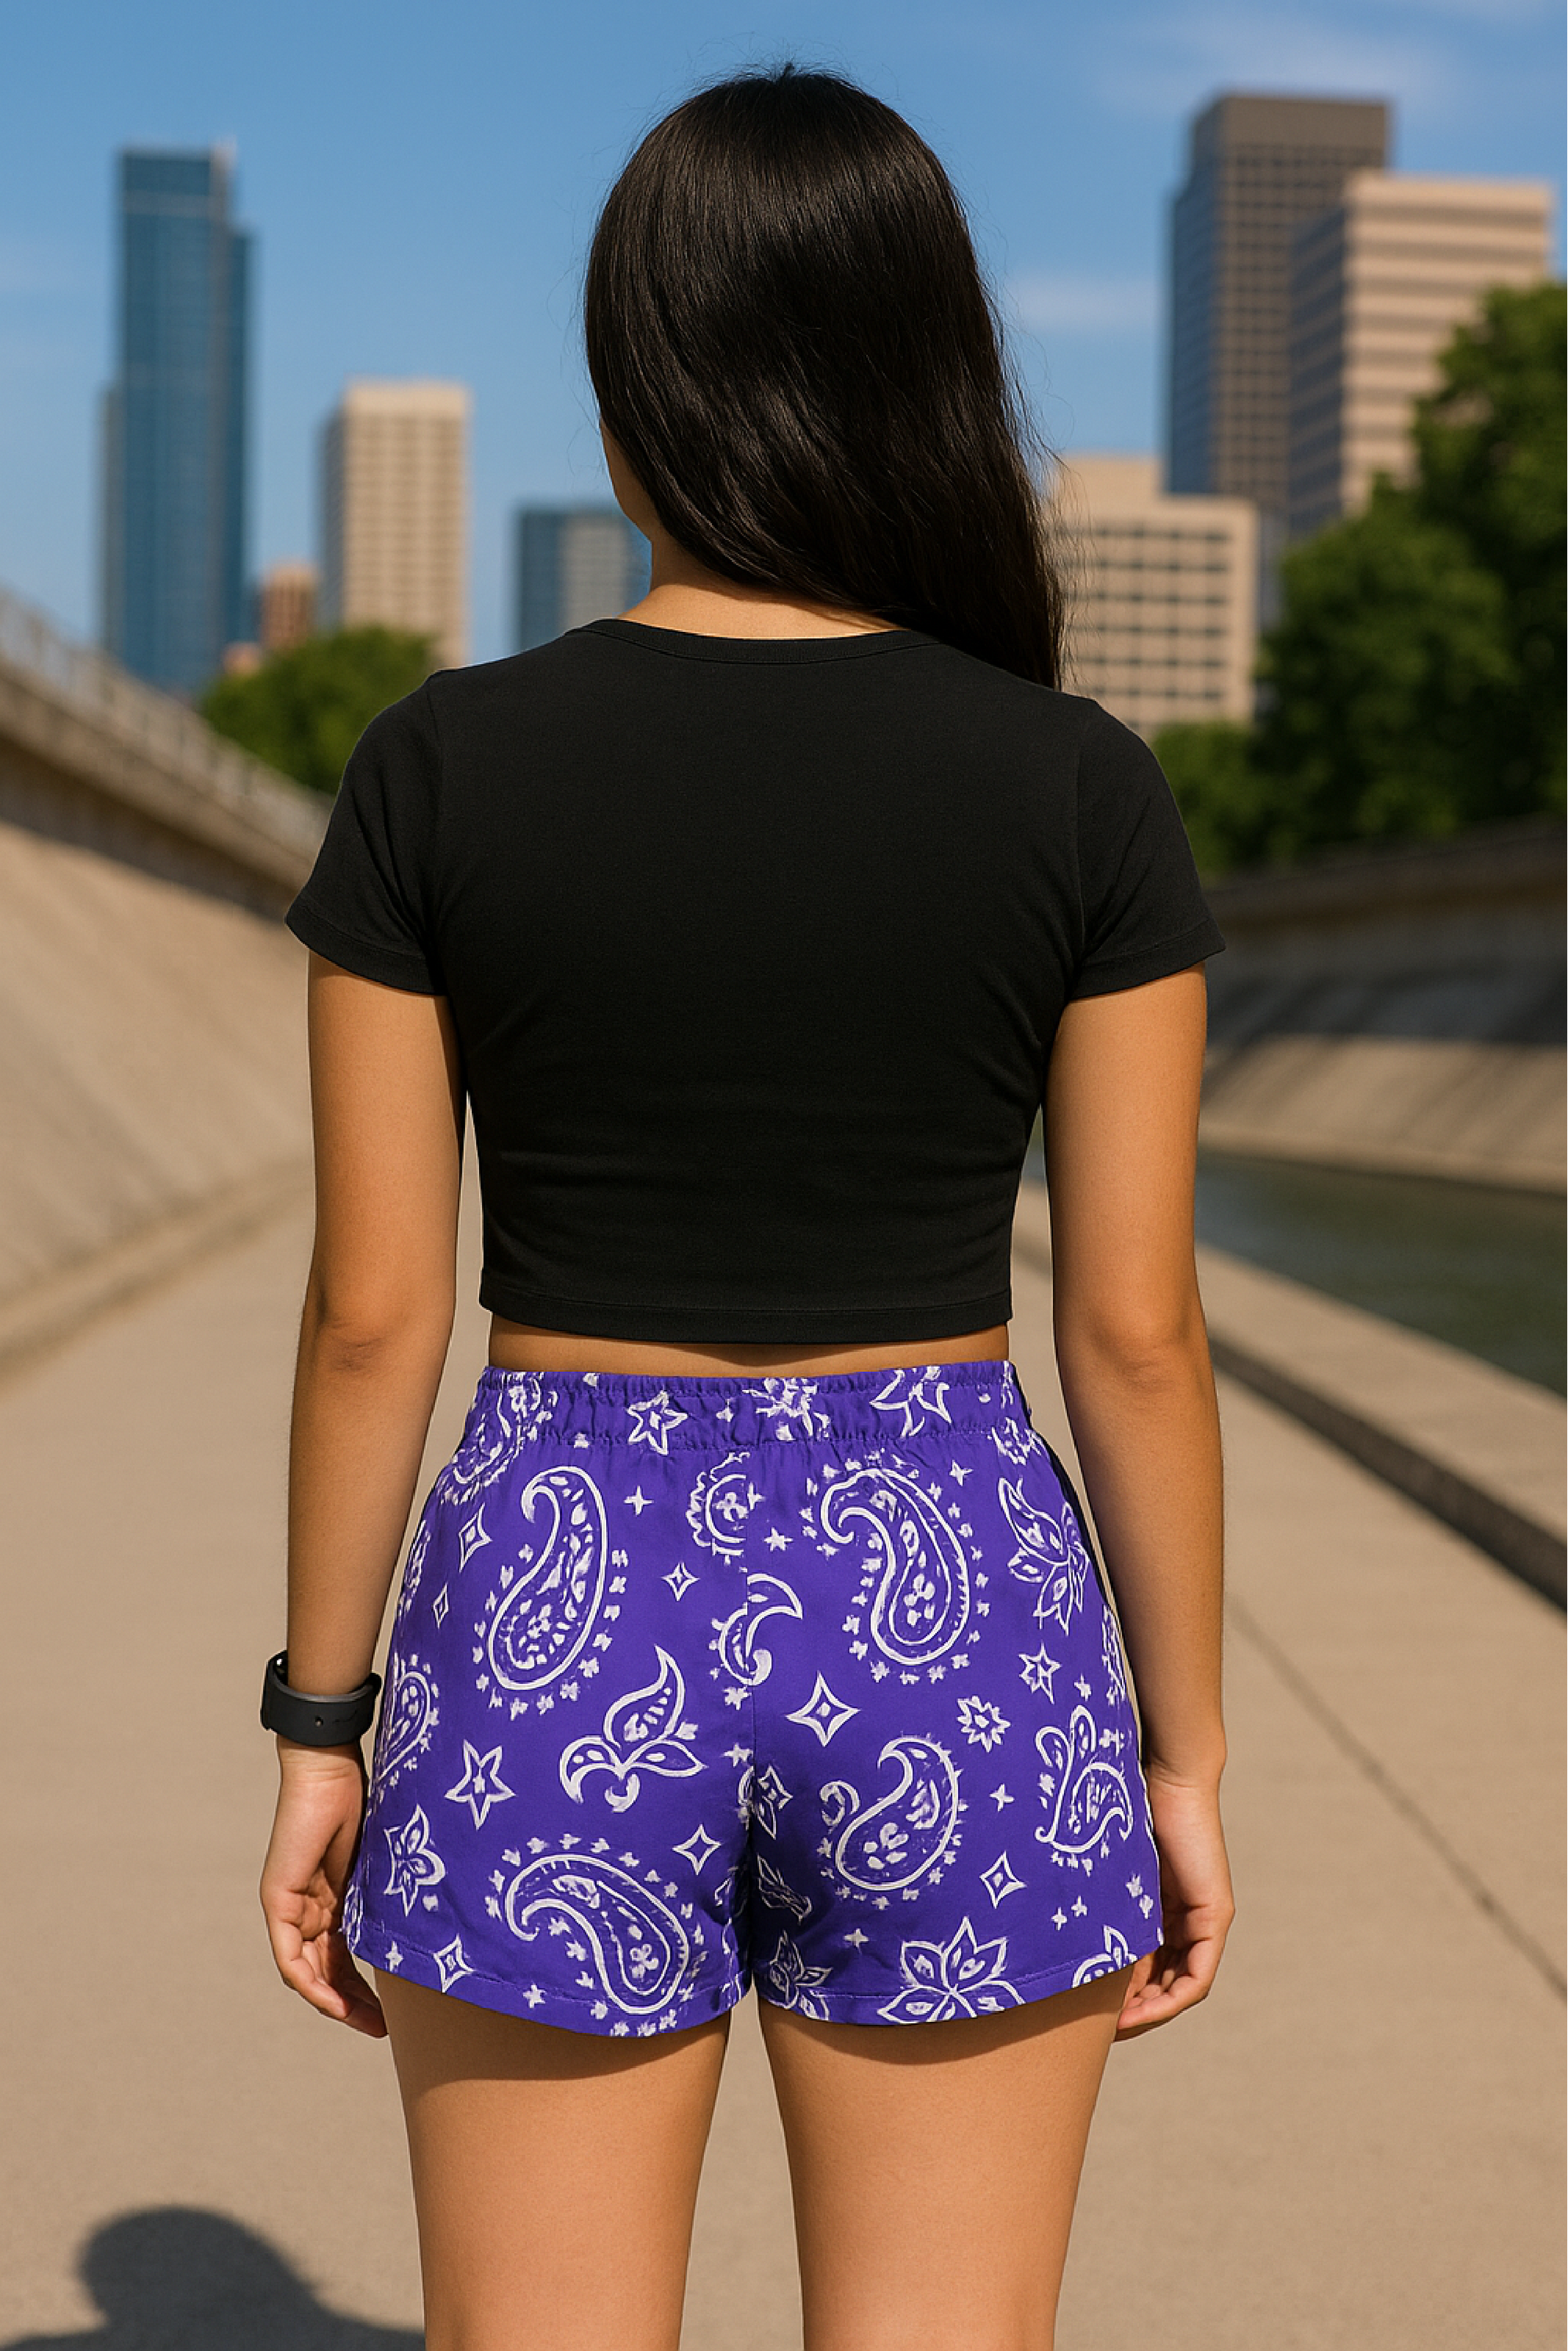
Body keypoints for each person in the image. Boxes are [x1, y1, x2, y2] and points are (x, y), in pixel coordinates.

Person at [260, 64, 1232, 2351]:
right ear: (928, 391)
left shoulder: (437, 766)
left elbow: (375, 1317)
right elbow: (1136, 1333)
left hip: (554, 1597)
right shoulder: (1079, 788)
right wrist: (1181, 1753)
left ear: (633, 402)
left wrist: (320, 1719)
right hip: (959, 1612)